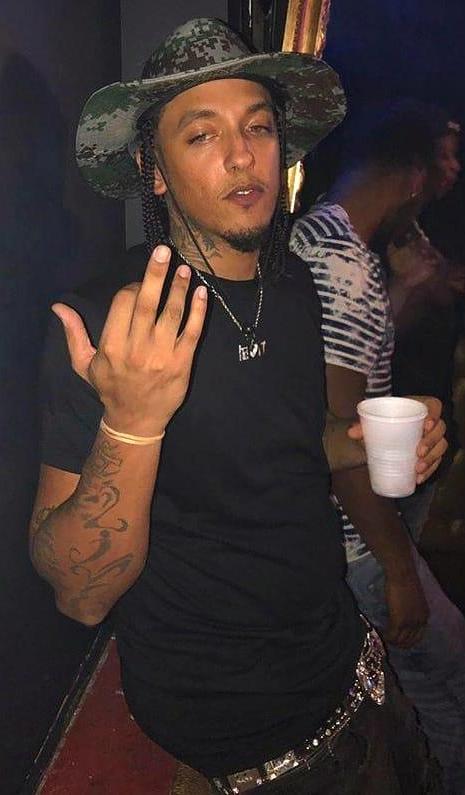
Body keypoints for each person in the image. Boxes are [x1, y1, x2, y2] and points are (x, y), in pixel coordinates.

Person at [30, 21, 445, 794]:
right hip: (261, 742)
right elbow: (80, 595)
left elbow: (292, 441)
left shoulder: (291, 285)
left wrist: (359, 439)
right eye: (201, 134)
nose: (241, 154)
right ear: (153, 169)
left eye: (257, 127)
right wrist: (132, 421)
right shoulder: (106, 323)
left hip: (354, 667)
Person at [291, 99, 465, 794]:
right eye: (445, 163)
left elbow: (344, 376)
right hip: (358, 543)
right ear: (413, 175)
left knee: (417, 685)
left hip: (348, 538)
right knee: (446, 687)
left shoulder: (320, 237)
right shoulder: (342, 265)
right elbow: (343, 442)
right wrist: (397, 570)